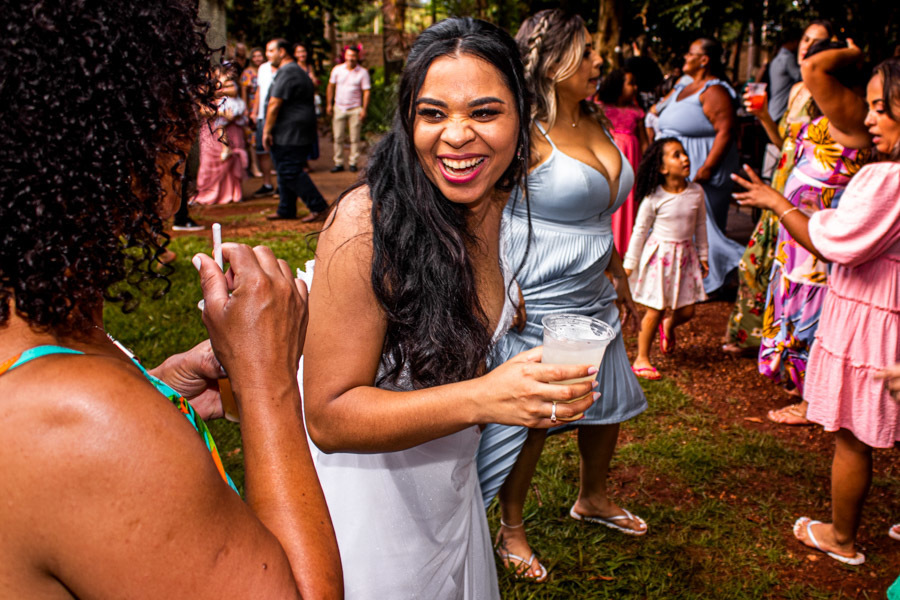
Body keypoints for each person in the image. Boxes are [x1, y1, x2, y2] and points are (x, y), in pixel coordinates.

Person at [0, 1, 342, 597]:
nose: (182, 151)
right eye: (170, 126)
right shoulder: (87, 421)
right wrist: (266, 383)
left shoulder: (40, 337)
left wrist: (157, 393)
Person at [302, 17, 597, 599]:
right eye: (433, 113)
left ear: (522, 118)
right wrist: (485, 397)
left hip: (451, 488)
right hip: (372, 508)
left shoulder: (501, 204)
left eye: (484, 112)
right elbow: (329, 417)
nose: (456, 135)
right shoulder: (366, 224)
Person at [476, 9, 649, 582]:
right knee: (535, 414)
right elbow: (484, 209)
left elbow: (599, 210)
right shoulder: (522, 131)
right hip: (539, 286)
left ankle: (592, 496)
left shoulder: (595, 118)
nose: (600, 61)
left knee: (604, 399)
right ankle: (511, 528)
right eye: (587, 51)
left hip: (593, 283)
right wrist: (499, 282)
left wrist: (619, 274)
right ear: (551, 62)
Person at [733, 57, 899, 567]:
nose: (868, 119)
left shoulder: (885, 179)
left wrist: (776, 202)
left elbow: (836, 243)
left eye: (880, 108)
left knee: (852, 436)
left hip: (871, 319)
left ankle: (840, 537)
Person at [755, 40, 872, 425]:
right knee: (796, 312)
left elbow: (812, 68)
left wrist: (856, 52)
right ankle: (802, 388)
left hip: (821, 241)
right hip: (797, 239)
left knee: (815, 318)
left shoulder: (854, 118)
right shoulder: (826, 117)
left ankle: (813, 402)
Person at [723, 21, 834, 358]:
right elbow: (784, 140)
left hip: (807, 194)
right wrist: (762, 116)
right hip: (781, 180)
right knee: (754, 262)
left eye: (816, 42)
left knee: (786, 267)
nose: (806, 46)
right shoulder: (798, 89)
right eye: (805, 39)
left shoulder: (829, 93)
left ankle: (783, 345)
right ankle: (754, 336)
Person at [656, 38, 743, 294]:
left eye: (690, 53)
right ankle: (690, 280)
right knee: (681, 225)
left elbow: (726, 131)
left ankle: (718, 278)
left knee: (704, 228)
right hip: (677, 166)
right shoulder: (685, 86)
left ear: (704, 60)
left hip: (701, 167)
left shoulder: (714, 91)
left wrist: (706, 168)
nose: (685, 57)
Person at [624, 138, 709, 380]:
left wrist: (703, 255)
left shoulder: (696, 192)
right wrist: (629, 265)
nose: (685, 158)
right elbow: (640, 231)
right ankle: (641, 359)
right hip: (660, 259)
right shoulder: (654, 197)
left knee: (688, 310)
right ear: (662, 168)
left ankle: (669, 324)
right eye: (676, 155)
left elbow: (701, 226)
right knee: (655, 310)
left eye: (684, 153)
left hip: (685, 257)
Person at [262, 39, 330, 222]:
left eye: (271, 51)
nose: (268, 55)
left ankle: (319, 207)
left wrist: (266, 130)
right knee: (284, 168)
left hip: (291, 132)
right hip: (293, 130)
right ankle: (286, 208)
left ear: (282, 52)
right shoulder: (294, 71)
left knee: (289, 169)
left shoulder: (288, 71)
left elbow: (274, 103)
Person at [593, 67, 649, 254]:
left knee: (629, 200)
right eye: (630, 83)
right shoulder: (601, 109)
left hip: (632, 162)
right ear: (617, 86)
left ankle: (626, 247)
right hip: (609, 162)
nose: (635, 87)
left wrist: (646, 164)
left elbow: (644, 142)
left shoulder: (637, 112)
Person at [194, 65, 248, 205]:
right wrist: (220, 112)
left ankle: (232, 193)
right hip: (211, 128)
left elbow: (234, 90)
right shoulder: (200, 88)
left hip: (229, 126)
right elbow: (200, 108)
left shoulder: (223, 83)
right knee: (209, 162)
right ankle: (207, 194)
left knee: (231, 158)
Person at [327, 46, 371, 173]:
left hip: (355, 108)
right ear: (344, 56)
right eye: (349, 55)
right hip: (339, 107)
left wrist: (364, 109)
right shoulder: (337, 70)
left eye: (353, 55)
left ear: (357, 57)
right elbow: (331, 86)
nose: (351, 58)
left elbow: (366, 92)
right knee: (338, 136)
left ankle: (353, 162)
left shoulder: (363, 72)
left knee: (354, 138)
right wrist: (329, 104)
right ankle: (338, 162)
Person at [252, 47, 278, 198]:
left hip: (278, 117)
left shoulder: (285, 69)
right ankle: (267, 184)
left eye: (272, 50)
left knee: (278, 151)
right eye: (267, 50)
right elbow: (259, 91)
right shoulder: (262, 68)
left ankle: (281, 187)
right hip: (262, 115)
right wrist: (254, 111)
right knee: (262, 151)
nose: (269, 54)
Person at [295, 42, 321, 169]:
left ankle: (307, 159)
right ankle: (301, 161)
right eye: (299, 52)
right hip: (297, 106)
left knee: (309, 133)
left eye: (303, 51)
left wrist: (312, 80)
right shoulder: (293, 68)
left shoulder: (309, 67)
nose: (302, 54)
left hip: (309, 105)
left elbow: (315, 85)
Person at [767, 32, 802, 123]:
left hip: (774, 109)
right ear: (792, 41)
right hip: (781, 111)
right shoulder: (787, 58)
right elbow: (800, 76)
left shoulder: (777, 58)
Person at [241, 47, 265, 178]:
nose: (257, 59)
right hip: (252, 107)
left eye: (259, 56)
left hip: (264, 107)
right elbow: (244, 92)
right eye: (254, 56)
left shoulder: (266, 70)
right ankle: (254, 166)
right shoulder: (247, 72)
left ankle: (266, 166)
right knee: (252, 138)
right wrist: (245, 109)